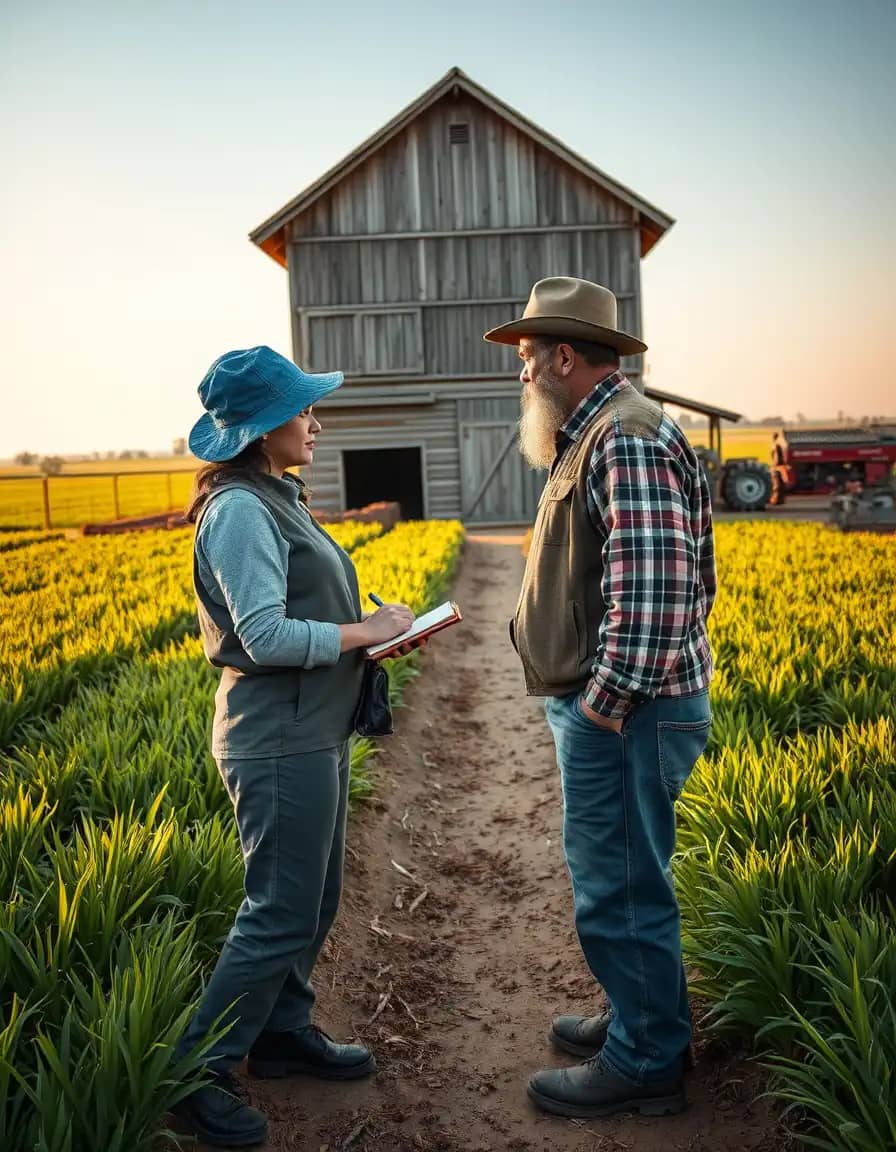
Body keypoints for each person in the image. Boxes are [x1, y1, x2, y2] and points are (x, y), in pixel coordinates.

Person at [175, 345, 422, 1148]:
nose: (315, 421)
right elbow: (266, 634)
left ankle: (281, 1034)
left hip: (311, 729)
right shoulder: (240, 509)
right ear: (261, 427)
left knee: (311, 901)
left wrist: (371, 638)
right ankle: (196, 1070)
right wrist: (367, 631)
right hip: (276, 738)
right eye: (303, 409)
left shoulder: (273, 494)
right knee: (277, 910)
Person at [484, 278, 716, 1119]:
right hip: (626, 708)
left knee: (619, 884)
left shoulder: (624, 439)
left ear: (566, 358)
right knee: (623, 873)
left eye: (527, 360)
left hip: (627, 712)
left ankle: (647, 1059)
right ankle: (642, 1016)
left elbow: (653, 594)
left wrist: (605, 705)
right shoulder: (602, 433)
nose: (522, 377)